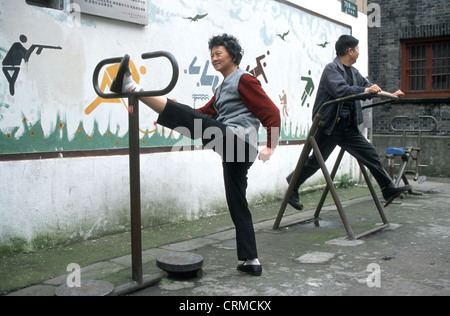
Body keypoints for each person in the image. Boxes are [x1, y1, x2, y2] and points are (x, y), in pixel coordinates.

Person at [110, 34, 281, 276]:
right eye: (211, 55)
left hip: (240, 142)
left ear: (232, 54)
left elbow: (271, 112)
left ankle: (132, 88)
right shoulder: (222, 87)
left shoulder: (245, 80)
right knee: (237, 202)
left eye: (218, 53)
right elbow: (204, 113)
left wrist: (270, 147)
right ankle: (251, 260)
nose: (214, 58)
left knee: (196, 123)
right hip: (231, 148)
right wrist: (175, 106)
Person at [286, 35, 411, 211]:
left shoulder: (353, 72)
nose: (359, 52)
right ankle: (293, 184)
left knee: (370, 153)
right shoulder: (332, 69)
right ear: (350, 50)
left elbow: (369, 87)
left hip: (348, 127)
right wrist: (365, 89)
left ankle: (387, 188)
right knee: (315, 162)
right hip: (329, 126)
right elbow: (341, 90)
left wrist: (391, 95)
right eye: (357, 48)